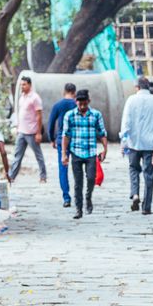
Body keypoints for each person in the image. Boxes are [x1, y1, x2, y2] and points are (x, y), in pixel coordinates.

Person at [120, 76, 153, 215]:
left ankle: (135, 194)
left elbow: (126, 122)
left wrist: (123, 141)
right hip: (151, 144)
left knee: (133, 168)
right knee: (149, 174)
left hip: (133, 143)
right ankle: (146, 206)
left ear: (137, 87)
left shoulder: (131, 100)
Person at [61, 88, 108, 219]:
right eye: (80, 103)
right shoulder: (69, 115)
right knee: (78, 182)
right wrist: (64, 154)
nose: (82, 106)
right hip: (75, 151)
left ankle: (88, 196)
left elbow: (102, 133)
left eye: (84, 103)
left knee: (91, 178)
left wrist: (105, 149)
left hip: (91, 152)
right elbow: (66, 135)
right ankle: (78, 209)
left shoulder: (96, 115)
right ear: (76, 102)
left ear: (89, 101)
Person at [7, 75, 48, 183]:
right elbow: (21, 114)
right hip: (22, 131)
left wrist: (38, 133)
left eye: (24, 84)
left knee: (38, 155)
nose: (22, 87)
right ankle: (11, 176)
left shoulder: (35, 98)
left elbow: (39, 116)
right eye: (21, 85)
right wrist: (18, 127)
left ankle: (43, 176)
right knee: (17, 155)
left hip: (32, 132)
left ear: (29, 85)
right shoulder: (22, 97)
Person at [47, 82, 78, 209]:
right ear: (74, 92)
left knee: (63, 169)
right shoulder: (77, 105)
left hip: (61, 141)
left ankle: (66, 197)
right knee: (77, 168)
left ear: (64, 91)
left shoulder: (58, 105)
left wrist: (52, 139)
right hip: (76, 140)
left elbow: (50, 123)